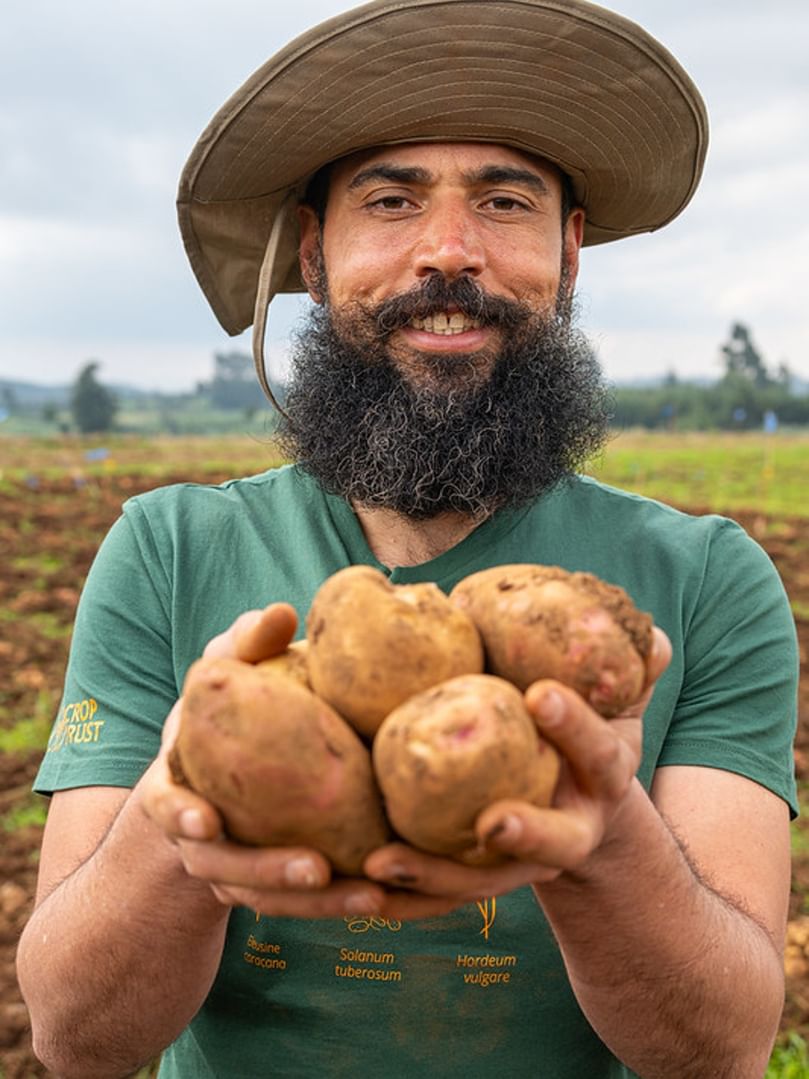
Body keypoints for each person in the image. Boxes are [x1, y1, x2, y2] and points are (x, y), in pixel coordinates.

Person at [17, 1, 798, 1076]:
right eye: (389, 200)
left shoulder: (703, 581)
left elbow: (722, 1049)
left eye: (504, 200)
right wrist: (183, 812)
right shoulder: (168, 549)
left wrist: (601, 836)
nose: (446, 252)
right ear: (314, 251)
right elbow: (75, 1037)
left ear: (567, 253)